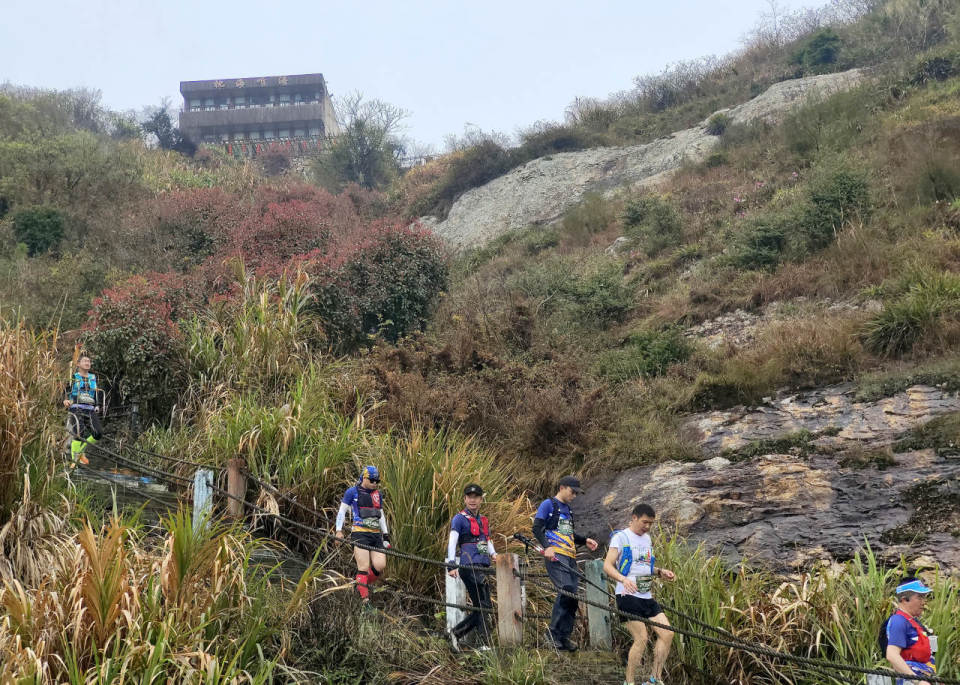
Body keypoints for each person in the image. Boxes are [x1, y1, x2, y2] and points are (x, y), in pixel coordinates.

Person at [603, 503, 676, 685]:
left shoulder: (647, 539)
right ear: (634, 517)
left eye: (651, 523)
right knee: (641, 638)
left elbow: (644, 567)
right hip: (627, 595)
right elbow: (607, 566)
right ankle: (629, 682)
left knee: (667, 634)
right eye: (645, 522)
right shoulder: (621, 537)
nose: (647, 526)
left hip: (646, 595)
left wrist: (660, 572)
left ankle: (654, 679)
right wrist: (623, 579)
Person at [532, 475, 598, 652]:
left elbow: (569, 534)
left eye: (576, 493)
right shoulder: (548, 504)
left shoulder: (568, 510)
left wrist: (585, 540)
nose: (574, 495)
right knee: (566, 589)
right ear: (562, 487)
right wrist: (547, 547)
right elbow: (536, 527)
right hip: (556, 555)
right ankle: (552, 634)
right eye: (572, 491)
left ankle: (564, 637)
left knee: (573, 595)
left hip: (570, 556)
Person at [446, 483, 498, 646]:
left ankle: (456, 633)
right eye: (469, 497)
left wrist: (494, 554)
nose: (472, 500)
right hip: (469, 565)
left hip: (482, 565)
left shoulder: (483, 520)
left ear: (481, 499)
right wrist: (451, 564)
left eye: (476, 497)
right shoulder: (459, 518)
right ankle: (484, 644)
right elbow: (452, 541)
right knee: (483, 604)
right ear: (465, 499)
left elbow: (487, 539)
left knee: (482, 605)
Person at [335, 466, 391, 601]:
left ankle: (360, 586)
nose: (375, 483)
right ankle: (365, 602)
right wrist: (338, 531)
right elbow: (342, 512)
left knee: (380, 565)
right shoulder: (352, 492)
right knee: (363, 568)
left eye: (377, 481)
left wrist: (386, 534)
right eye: (372, 480)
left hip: (376, 535)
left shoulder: (378, 494)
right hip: (360, 534)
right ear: (364, 478)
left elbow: (381, 514)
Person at [883, 577, 937, 685]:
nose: (923, 602)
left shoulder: (913, 621)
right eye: (920, 597)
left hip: (925, 676)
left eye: (924, 598)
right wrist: (918, 681)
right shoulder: (898, 621)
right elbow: (892, 655)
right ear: (904, 599)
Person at [63, 354, 102, 467]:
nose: (87, 363)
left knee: (98, 433)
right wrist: (65, 400)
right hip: (76, 408)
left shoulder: (93, 377)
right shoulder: (74, 377)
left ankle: (80, 452)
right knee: (80, 432)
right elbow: (66, 391)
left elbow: (97, 392)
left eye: (89, 361)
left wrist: (98, 404)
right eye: (85, 361)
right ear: (78, 364)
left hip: (90, 408)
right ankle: (75, 460)